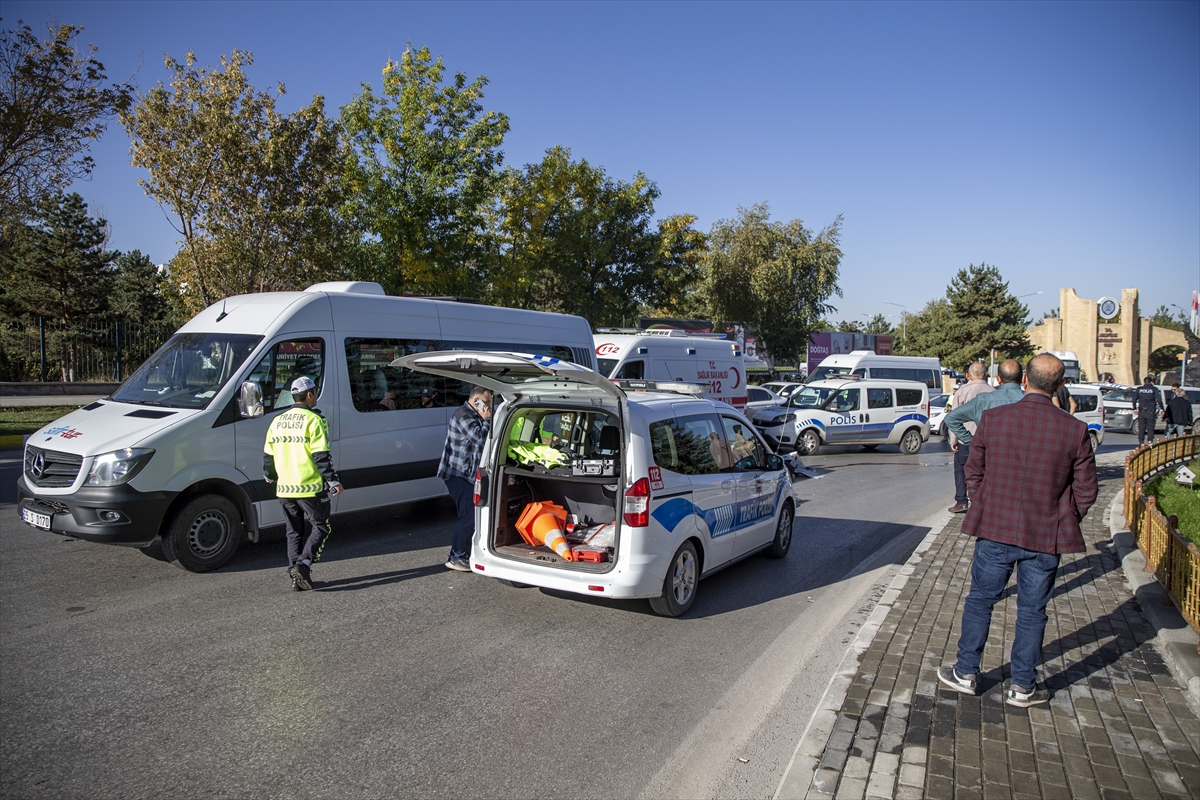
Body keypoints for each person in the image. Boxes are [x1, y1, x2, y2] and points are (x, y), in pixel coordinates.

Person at [938, 353, 1098, 707]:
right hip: (1045, 537)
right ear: (1059, 386)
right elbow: (1087, 490)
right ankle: (1023, 687)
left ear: (1025, 381)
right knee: (1032, 611)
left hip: (995, 529)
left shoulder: (994, 420)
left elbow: (973, 472)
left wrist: (985, 504)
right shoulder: (1073, 429)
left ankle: (966, 673)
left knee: (981, 600)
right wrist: (1063, 516)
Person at [263, 376, 343, 591]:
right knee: (321, 527)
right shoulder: (315, 420)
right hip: (309, 486)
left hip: (284, 488)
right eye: (315, 392)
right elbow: (320, 456)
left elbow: (269, 455)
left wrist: (270, 475)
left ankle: (295, 576)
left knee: (293, 531)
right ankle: (304, 563)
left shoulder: (277, 420)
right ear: (309, 395)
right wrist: (333, 480)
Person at [943, 360, 1025, 512]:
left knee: (965, 472)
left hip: (985, 453)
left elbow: (951, 418)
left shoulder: (981, 397)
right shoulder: (1028, 399)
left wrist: (969, 440)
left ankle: (963, 501)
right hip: (1020, 464)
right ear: (1023, 379)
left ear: (998, 378)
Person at [438, 384, 492, 571]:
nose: (488, 407)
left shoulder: (473, 415)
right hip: (458, 474)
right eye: (485, 402)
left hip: (467, 474)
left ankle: (464, 553)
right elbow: (479, 437)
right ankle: (457, 556)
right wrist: (486, 419)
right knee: (468, 516)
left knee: (471, 514)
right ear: (475, 400)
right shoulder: (463, 415)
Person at [945, 363, 995, 514]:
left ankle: (961, 501)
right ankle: (981, 501)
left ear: (968, 375)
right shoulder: (992, 391)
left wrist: (953, 440)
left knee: (961, 470)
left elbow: (953, 417)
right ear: (985, 374)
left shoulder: (962, 391)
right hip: (986, 440)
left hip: (965, 439)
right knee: (984, 472)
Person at [1134, 375, 1164, 446]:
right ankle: (1150, 441)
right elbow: (1159, 400)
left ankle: (1141, 442)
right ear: (1151, 382)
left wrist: (1134, 409)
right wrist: (1162, 409)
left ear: (1144, 382)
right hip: (1150, 411)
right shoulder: (1154, 389)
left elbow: (1134, 399)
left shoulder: (1139, 389)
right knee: (1150, 428)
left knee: (1141, 427)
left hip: (1141, 412)